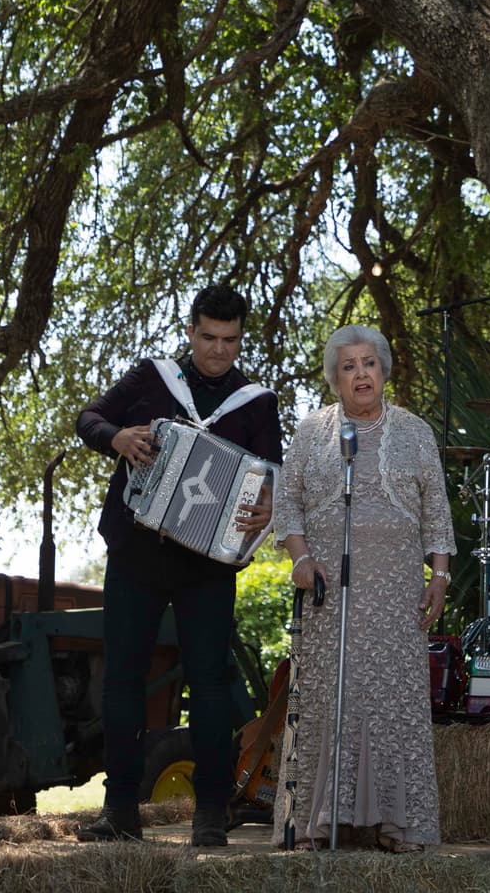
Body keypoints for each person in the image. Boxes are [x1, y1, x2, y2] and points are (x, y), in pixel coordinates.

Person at [75, 281, 282, 847]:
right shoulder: (151, 378)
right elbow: (88, 418)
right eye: (209, 337)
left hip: (208, 568)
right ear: (190, 331)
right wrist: (116, 437)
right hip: (136, 553)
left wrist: (266, 506)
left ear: (241, 338)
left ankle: (210, 815)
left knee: (211, 685)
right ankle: (120, 812)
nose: (219, 350)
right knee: (122, 680)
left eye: (231, 339)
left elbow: (273, 478)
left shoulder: (257, 403)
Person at [273, 324, 454, 853]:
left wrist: (438, 576)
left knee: (392, 699)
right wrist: (301, 558)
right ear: (335, 379)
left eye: (368, 364)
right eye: (348, 366)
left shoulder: (415, 432)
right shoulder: (310, 432)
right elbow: (288, 506)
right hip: (332, 588)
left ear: (383, 370)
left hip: (397, 587)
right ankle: (316, 823)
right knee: (333, 694)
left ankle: (398, 825)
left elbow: (436, 513)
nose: (360, 375)